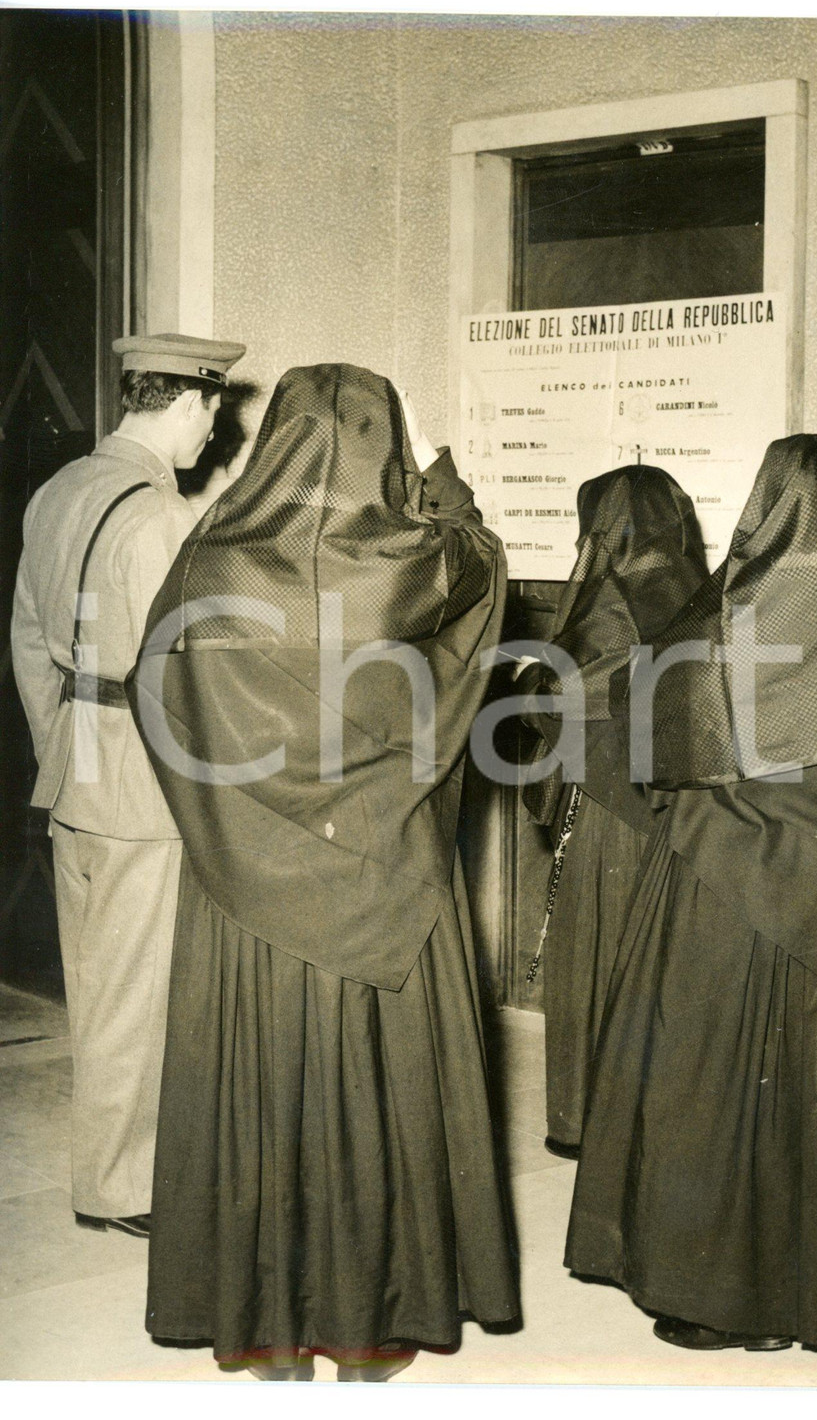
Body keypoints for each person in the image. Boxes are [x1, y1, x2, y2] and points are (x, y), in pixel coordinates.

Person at [127, 363, 519, 1381]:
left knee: (262, 1088)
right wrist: (437, 473)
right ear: (384, 447)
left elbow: (152, 686)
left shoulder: (209, 557)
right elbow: (486, 568)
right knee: (378, 1091)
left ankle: (266, 1326)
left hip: (247, 879)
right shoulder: (417, 564)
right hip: (385, 870)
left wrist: (223, 813)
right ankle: (371, 1327)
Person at [565, 434, 817, 1352]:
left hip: (738, 887)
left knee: (718, 1088)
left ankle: (727, 1296)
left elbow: (650, 742)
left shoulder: (714, 632)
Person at [10, 331, 246, 1237]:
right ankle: (124, 1187)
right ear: (187, 402)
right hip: (143, 783)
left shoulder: (56, 491)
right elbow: (186, 672)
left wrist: (63, 751)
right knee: (136, 993)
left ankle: (107, 1167)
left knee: (96, 980)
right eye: (213, 412)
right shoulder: (161, 517)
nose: (214, 432)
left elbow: (29, 641)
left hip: (77, 768)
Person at [514, 465, 707, 1155]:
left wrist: (529, 685)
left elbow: (561, 698)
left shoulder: (606, 604)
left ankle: (584, 1123)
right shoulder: (699, 596)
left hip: (604, 814)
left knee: (591, 957)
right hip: (679, 814)